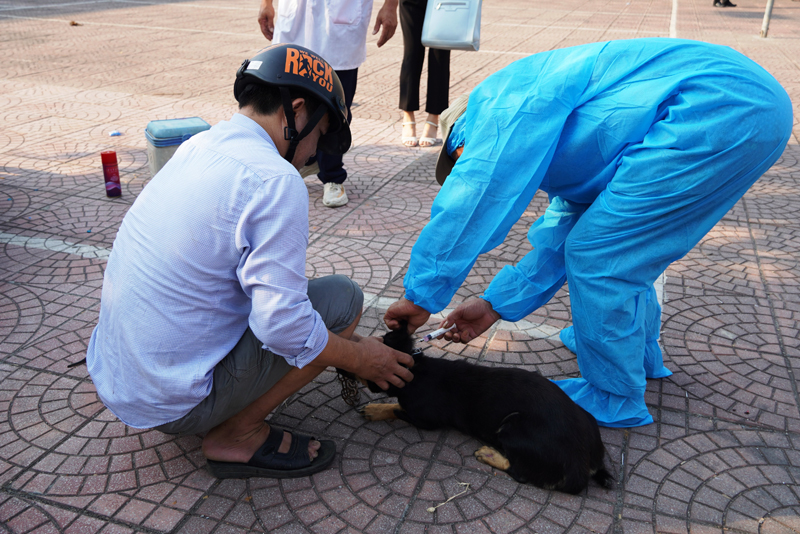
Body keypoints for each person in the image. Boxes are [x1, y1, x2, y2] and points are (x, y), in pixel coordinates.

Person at [384, 38, 793, 428]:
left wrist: (420, 295)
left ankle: (615, 396)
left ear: (461, 145)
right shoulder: (547, 124)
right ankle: (639, 355)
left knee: (601, 257)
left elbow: (473, 198)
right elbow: (563, 233)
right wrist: (494, 305)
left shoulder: (498, 111)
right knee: (621, 244)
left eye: (458, 165)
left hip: (719, 109)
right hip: (745, 102)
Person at [86, 44, 413, 480]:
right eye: (319, 134)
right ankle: (236, 436)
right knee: (341, 301)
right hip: (172, 403)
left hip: (124, 380)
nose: (314, 152)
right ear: (296, 111)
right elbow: (284, 325)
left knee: (302, 300)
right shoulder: (274, 179)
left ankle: (220, 406)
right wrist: (357, 358)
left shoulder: (200, 144)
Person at [258, 0, 399, 207]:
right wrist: (266, 3)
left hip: (341, 17)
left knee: (336, 105)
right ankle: (304, 161)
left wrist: (391, 5)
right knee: (288, 98)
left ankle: (332, 176)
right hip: (296, 14)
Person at [398, 0, 450, 147]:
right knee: (411, 54)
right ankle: (408, 115)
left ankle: (433, 118)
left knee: (439, 57)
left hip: (444, 3)